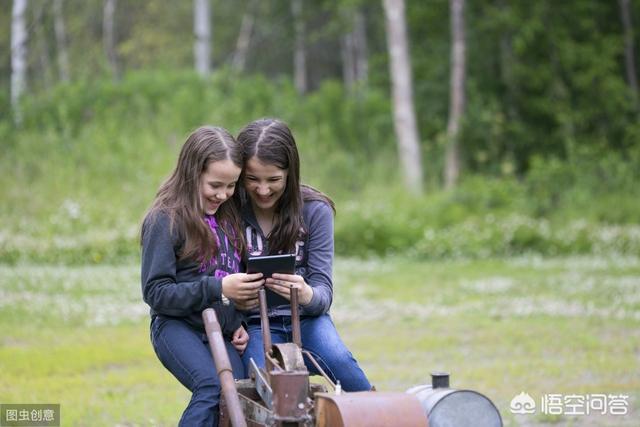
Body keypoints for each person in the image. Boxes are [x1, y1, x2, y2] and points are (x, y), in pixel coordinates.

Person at [236, 118, 372, 392]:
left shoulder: (314, 210)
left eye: (274, 180)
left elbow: (324, 291)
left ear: (290, 173)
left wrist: (306, 293)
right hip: (254, 323)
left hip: (308, 319)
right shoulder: (230, 210)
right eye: (252, 179)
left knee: (341, 362)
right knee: (263, 388)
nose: (263, 190)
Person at [140, 126, 264, 426]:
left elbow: (231, 277)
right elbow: (156, 292)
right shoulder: (165, 219)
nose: (223, 195)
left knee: (238, 393)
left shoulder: (228, 218)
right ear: (192, 174)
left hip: (219, 332)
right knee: (211, 387)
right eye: (215, 185)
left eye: (231, 186)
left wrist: (238, 322)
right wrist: (218, 288)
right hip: (176, 326)